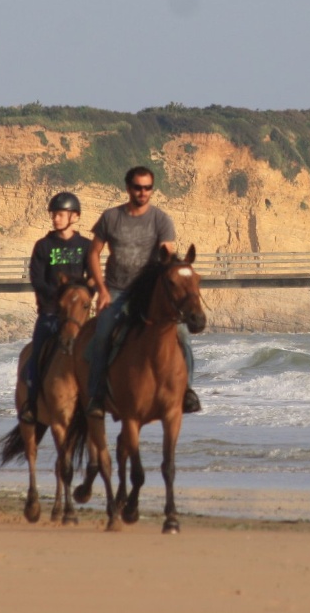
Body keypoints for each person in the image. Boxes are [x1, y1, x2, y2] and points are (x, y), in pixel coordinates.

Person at [86, 166, 200, 416]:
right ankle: (96, 396)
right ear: (129, 188)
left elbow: (167, 254)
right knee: (102, 335)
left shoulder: (161, 219)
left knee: (182, 334)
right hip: (117, 290)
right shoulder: (111, 217)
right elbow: (93, 253)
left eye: (147, 188)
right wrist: (102, 290)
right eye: (138, 187)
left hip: (149, 292)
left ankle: (188, 391)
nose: (143, 192)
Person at [20, 191, 92, 423]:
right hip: (51, 312)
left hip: (78, 315)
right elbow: (37, 280)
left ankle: (99, 400)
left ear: (74, 217)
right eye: (54, 214)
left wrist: (82, 296)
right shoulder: (43, 246)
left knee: (100, 351)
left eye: (60, 214)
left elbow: (92, 278)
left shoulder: (86, 246)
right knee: (36, 355)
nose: (55, 218)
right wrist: (61, 296)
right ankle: (31, 404)